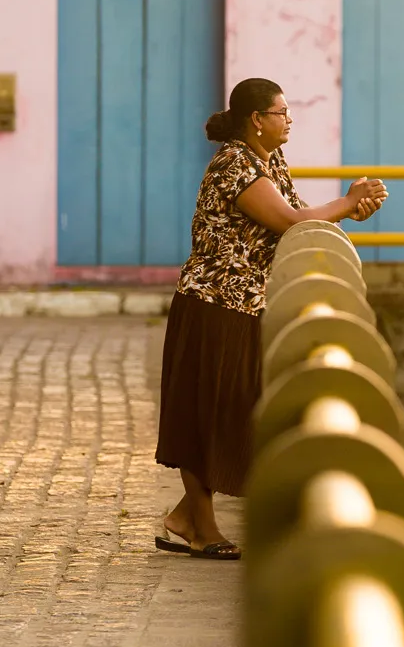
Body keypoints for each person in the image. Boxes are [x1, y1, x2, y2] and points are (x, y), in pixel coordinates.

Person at [154, 78, 387, 558]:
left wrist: (346, 212)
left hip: (247, 304)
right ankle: (202, 529)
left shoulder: (268, 160)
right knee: (208, 415)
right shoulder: (233, 164)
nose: (289, 120)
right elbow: (285, 222)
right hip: (213, 304)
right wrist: (344, 202)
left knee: (238, 409)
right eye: (281, 113)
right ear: (256, 120)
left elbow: (296, 215)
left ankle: (186, 515)